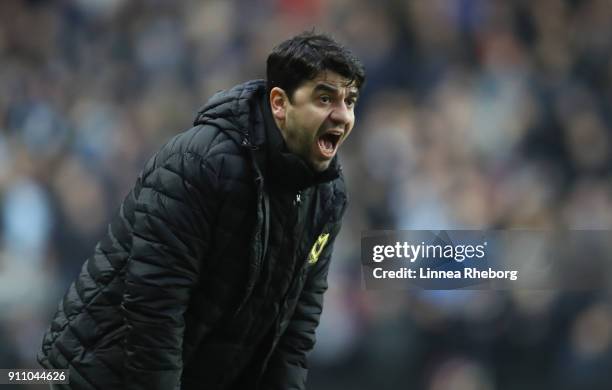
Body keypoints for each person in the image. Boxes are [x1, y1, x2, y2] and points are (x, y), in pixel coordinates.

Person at [38, 31, 365, 390]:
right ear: (279, 103)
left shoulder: (328, 194)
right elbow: (154, 309)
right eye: (324, 98)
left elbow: (293, 332)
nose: (342, 115)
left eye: (349, 101)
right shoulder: (200, 163)